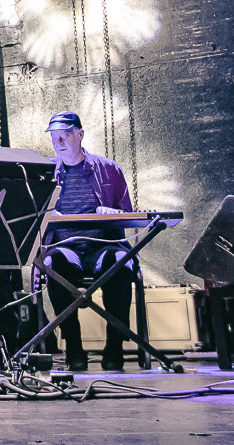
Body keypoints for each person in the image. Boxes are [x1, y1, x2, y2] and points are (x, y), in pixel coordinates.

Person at [36, 110, 138, 372]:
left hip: (104, 245)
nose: (59, 142)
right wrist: (48, 215)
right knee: (55, 264)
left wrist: (110, 212)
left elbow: (128, 215)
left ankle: (114, 345)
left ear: (80, 134)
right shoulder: (44, 173)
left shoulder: (109, 169)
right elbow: (32, 214)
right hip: (65, 247)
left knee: (120, 262)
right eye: (55, 137)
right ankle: (74, 347)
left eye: (65, 135)